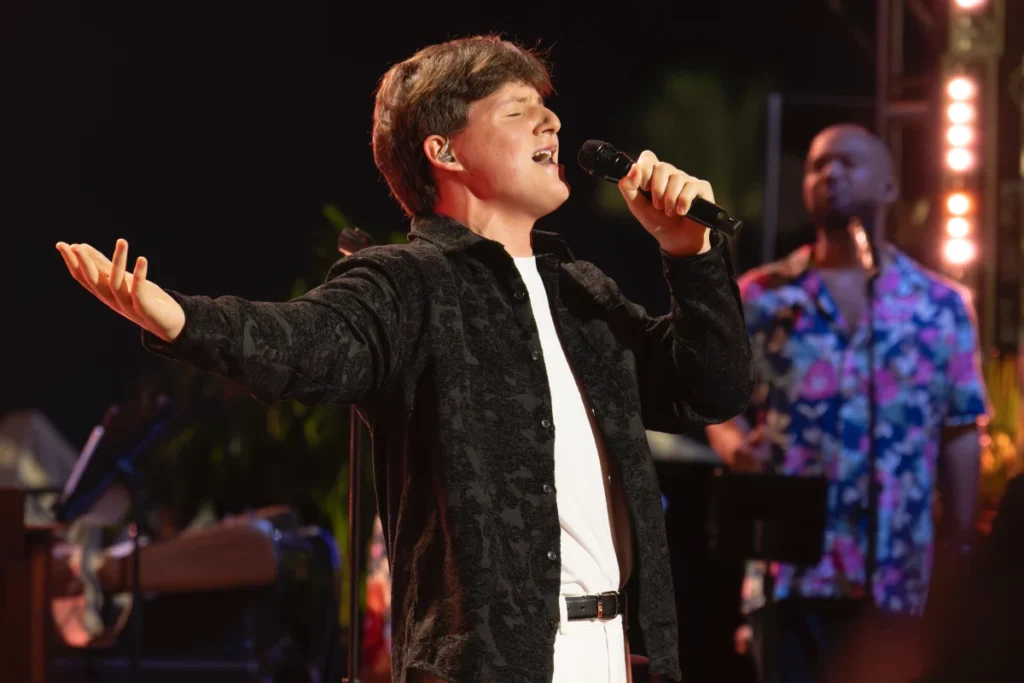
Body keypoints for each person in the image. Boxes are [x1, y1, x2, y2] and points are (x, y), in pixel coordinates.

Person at [56, 35, 753, 683]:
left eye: (547, 110)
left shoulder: (582, 293)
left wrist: (691, 255)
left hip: (615, 652)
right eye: (519, 111)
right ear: (445, 151)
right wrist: (180, 317)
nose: (553, 124)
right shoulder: (410, 283)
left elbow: (710, 390)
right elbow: (301, 342)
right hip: (493, 663)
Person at [706, 123, 989, 683]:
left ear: (890, 186)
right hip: (789, 570)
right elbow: (719, 404)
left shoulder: (941, 305)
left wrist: (961, 549)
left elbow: (960, 429)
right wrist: (737, 450)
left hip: (899, 576)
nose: (830, 174)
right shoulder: (763, 295)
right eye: (817, 165)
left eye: (848, 163)